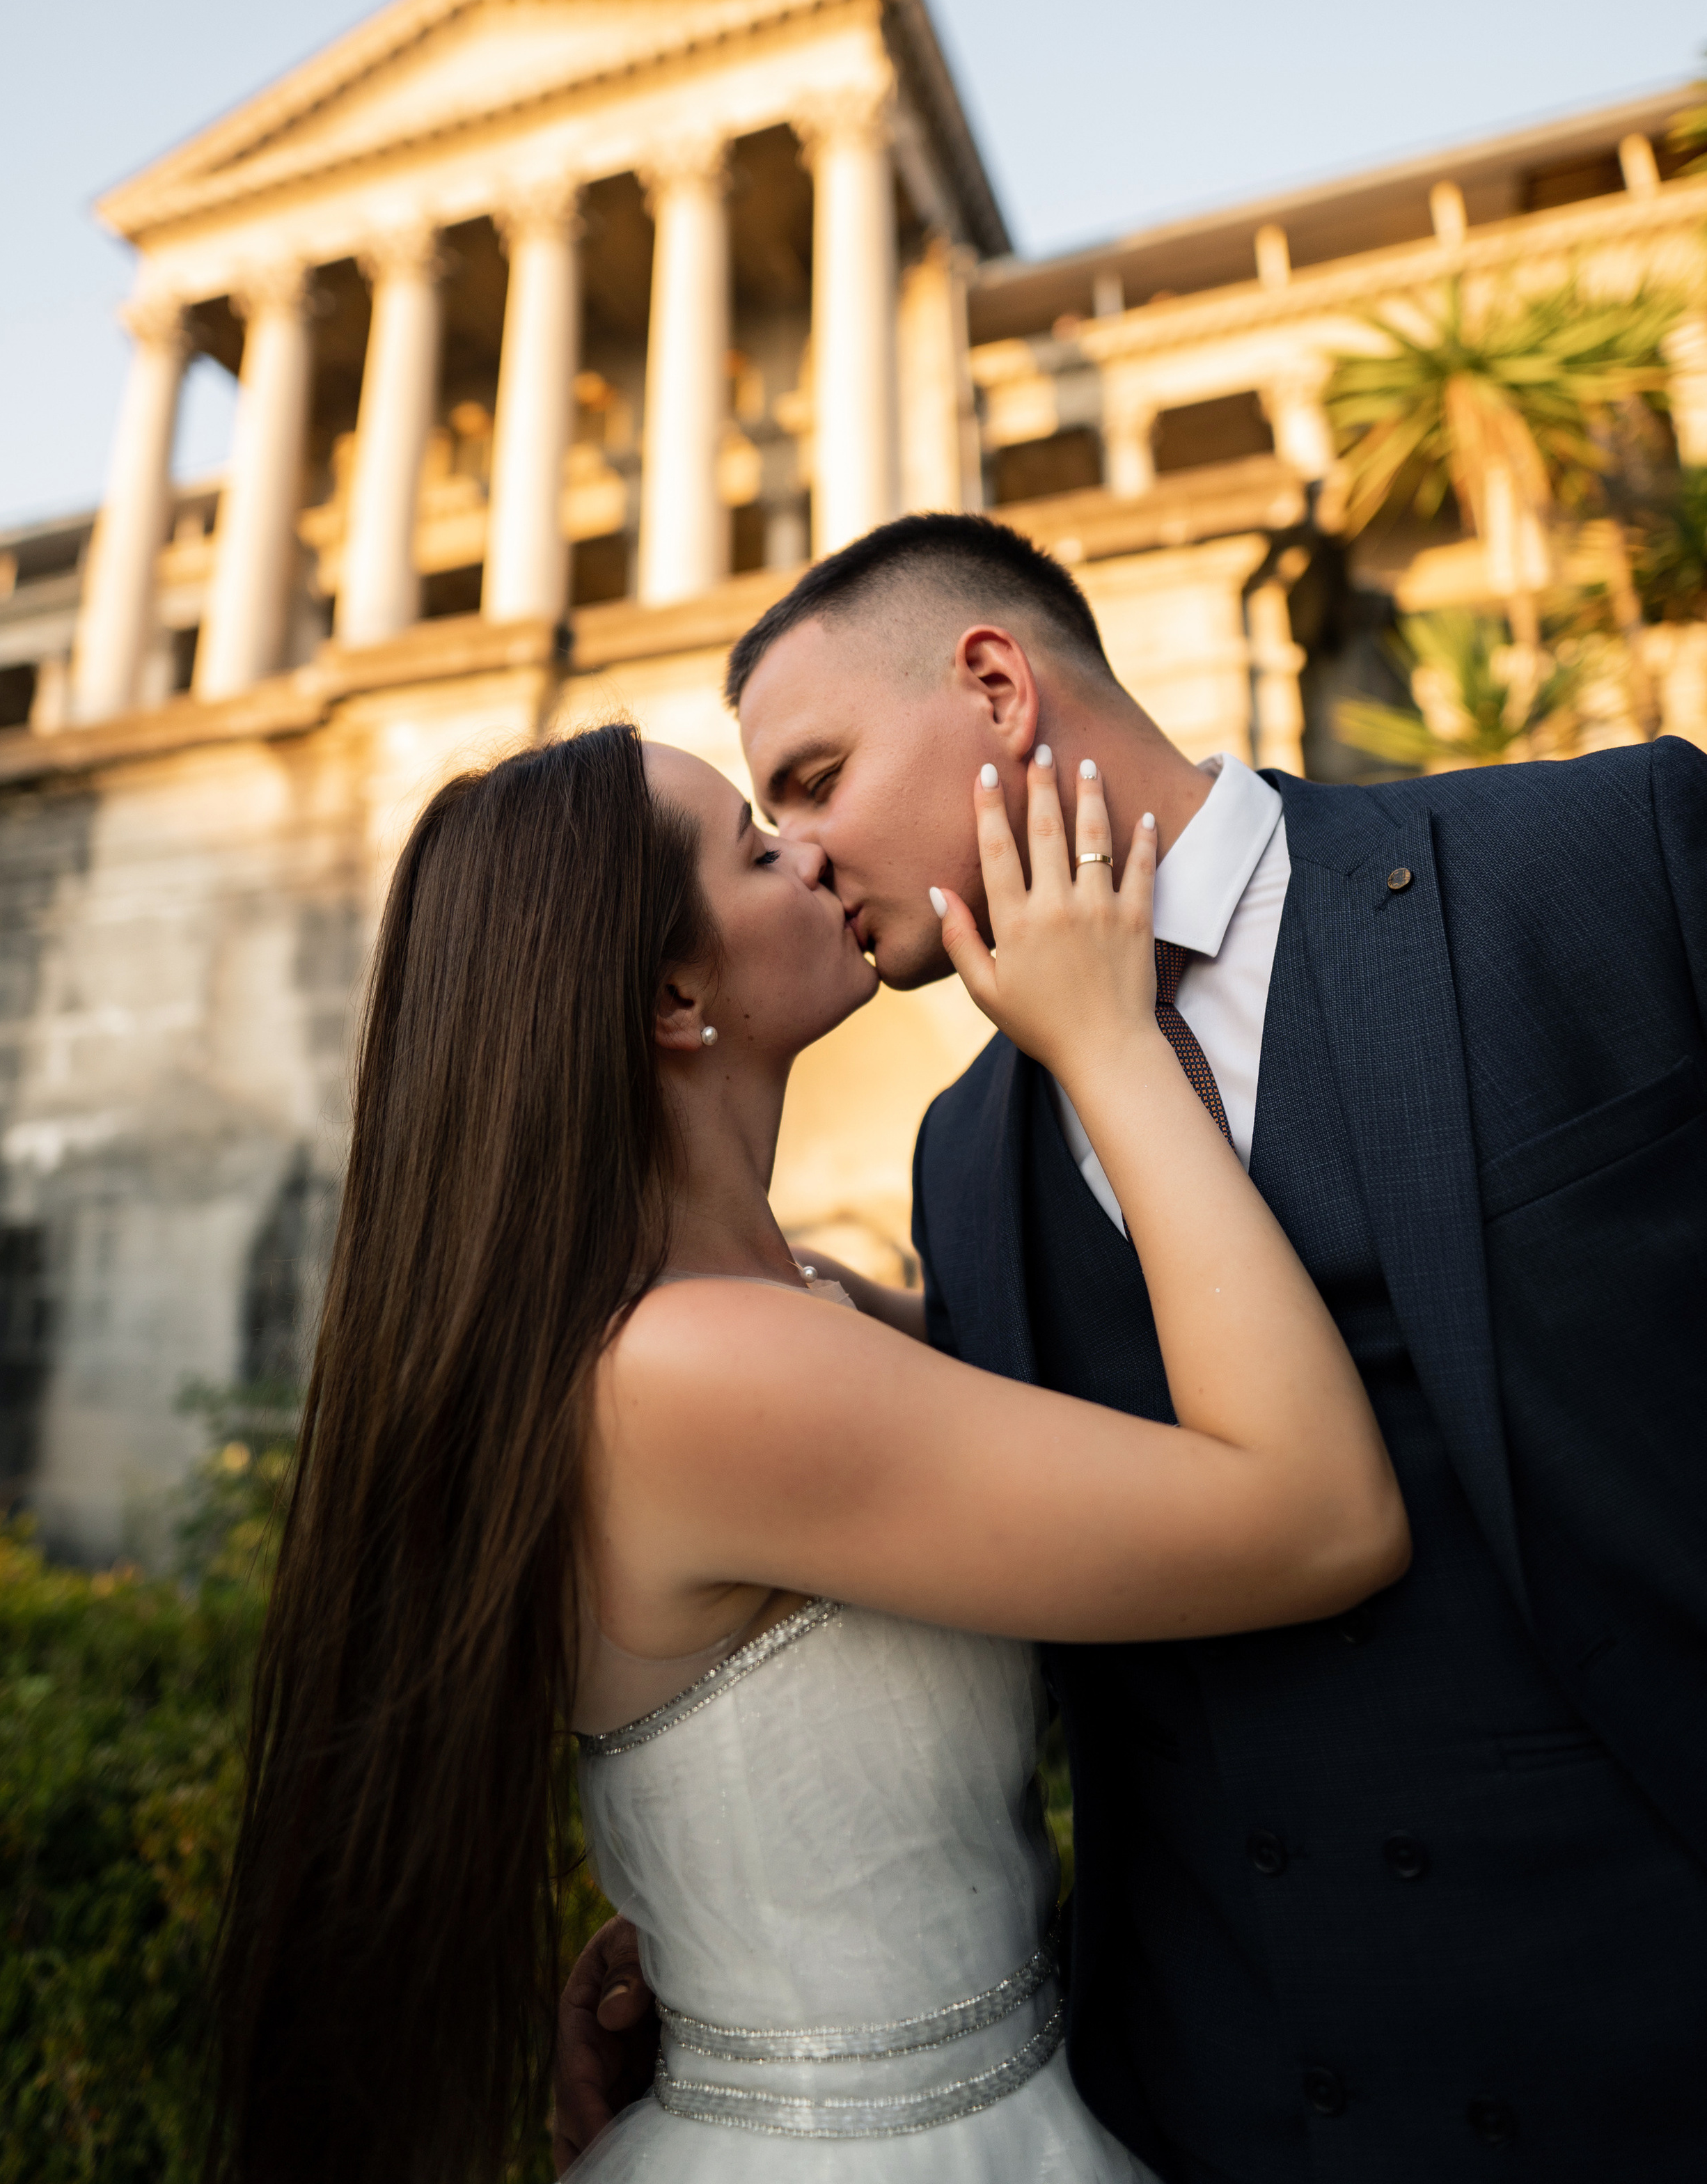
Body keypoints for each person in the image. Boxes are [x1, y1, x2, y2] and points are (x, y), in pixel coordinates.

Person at [641, 508, 1698, 2184]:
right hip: (1221, 2108)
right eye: (766, 822)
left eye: (818, 777)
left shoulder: (1598, 856)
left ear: (993, 682)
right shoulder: (962, 1156)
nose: (808, 851)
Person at [205, 716, 1407, 2184]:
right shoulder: (697, 1370)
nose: (814, 853)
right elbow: (1315, 1519)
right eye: (755, 847)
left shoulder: (776, 1311)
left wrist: (718, 1930)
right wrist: (1105, 1038)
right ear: (669, 993)